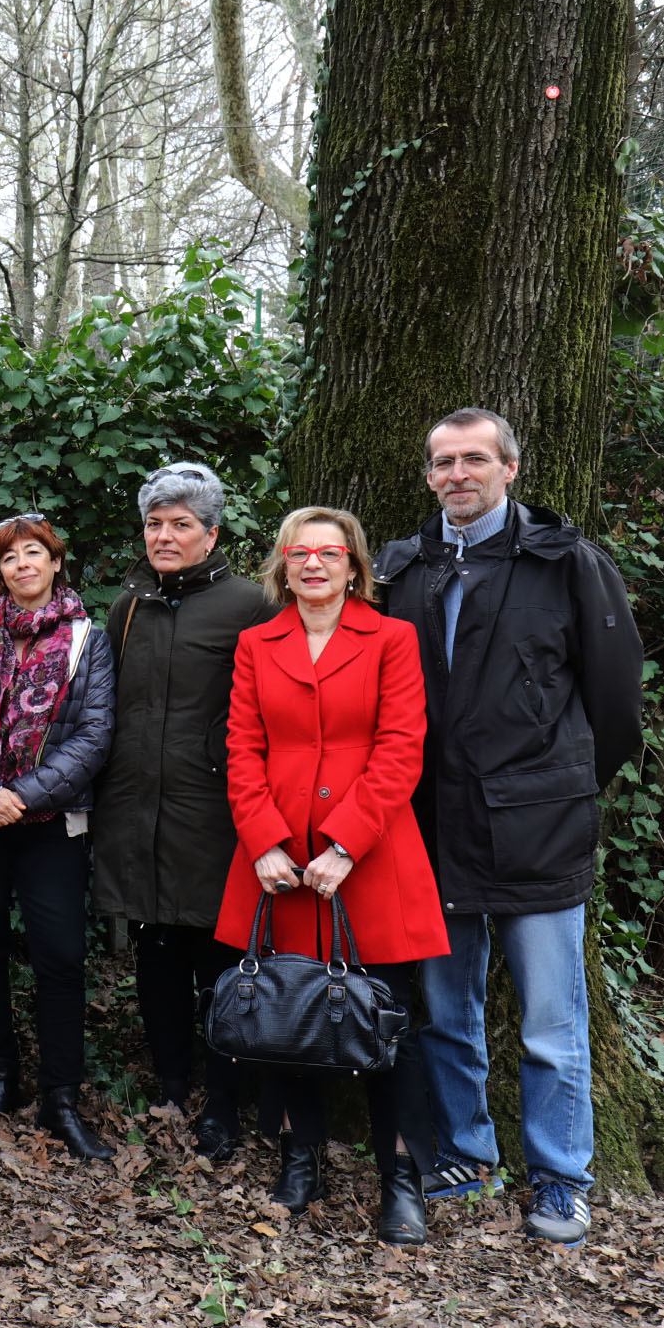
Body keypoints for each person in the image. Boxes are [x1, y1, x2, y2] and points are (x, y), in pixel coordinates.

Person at [375, 408, 642, 1247]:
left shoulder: (567, 563)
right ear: (428, 476)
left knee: (551, 1027)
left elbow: (615, 701)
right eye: (443, 462)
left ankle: (561, 1179)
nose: (458, 474)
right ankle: (467, 1156)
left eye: (474, 459)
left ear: (510, 468)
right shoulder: (402, 568)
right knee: (446, 1014)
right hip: (433, 830)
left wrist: (559, 788)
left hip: (541, 830)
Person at [218, 508, 450, 1246]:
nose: (313, 564)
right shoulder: (256, 643)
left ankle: (402, 1178)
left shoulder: (392, 638)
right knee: (286, 1016)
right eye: (299, 553)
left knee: (390, 1022)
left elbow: (402, 745)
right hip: (279, 861)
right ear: (282, 566)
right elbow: (242, 747)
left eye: (330, 553)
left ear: (354, 566)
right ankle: (300, 1160)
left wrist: (346, 845)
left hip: (372, 856)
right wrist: (263, 841)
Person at [89, 463, 270, 1161]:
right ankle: (169, 1086)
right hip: (137, 811)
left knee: (221, 961)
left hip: (216, 816)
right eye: (154, 524)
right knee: (156, 955)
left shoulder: (251, 605)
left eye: (181, 525)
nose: (164, 536)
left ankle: (223, 1101)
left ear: (211, 534)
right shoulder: (127, 608)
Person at [0, 515, 115, 1159]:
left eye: (34, 554)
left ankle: (61, 1096)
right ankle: (0, 1074)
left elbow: (94, 735)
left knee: (60, 956)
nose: (22, 566)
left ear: (55, 562)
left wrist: (24, 796)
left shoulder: (89, 640)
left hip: (52, 824)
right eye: (9, 558)